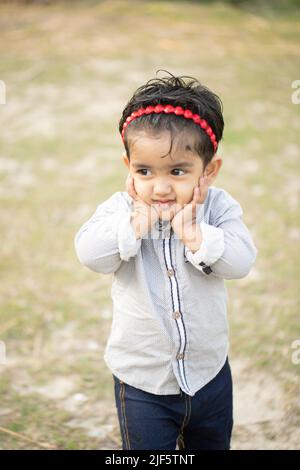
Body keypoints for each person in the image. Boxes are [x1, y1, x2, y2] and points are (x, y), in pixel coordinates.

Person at [74, 71, 258, 450]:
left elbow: (241, 262)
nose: (159, 187)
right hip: (142, 383)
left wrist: (195, 235)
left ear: (208, 170)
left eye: (177, 171)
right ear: (128, 166)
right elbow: (89, 253)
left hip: (209, 376)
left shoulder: (219, 208)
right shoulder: (122, 210)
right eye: (144, 171)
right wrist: (135, 224)